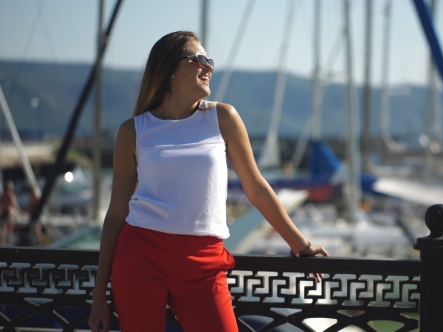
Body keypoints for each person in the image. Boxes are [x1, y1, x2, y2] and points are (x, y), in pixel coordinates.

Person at [89, 31, 328, 332]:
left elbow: (256, 188)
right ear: (170, 70)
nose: (208, 66)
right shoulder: (133, 131)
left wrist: (300, 245)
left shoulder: (223, 117)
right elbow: (116, 213)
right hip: (141, 255)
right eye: (198, 59)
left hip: (204, 260)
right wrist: (99, 294)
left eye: (209, 60)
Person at [0, 180, 24, 246]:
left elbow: (14, 206)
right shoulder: (7, 197)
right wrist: (21, 213)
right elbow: (15, 206)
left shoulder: (6, 196)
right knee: (4, 229)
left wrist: (20, 213)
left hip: (8, 214)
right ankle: (4, 242)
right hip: (6, 214)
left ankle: (7, 242)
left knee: (8, 228)